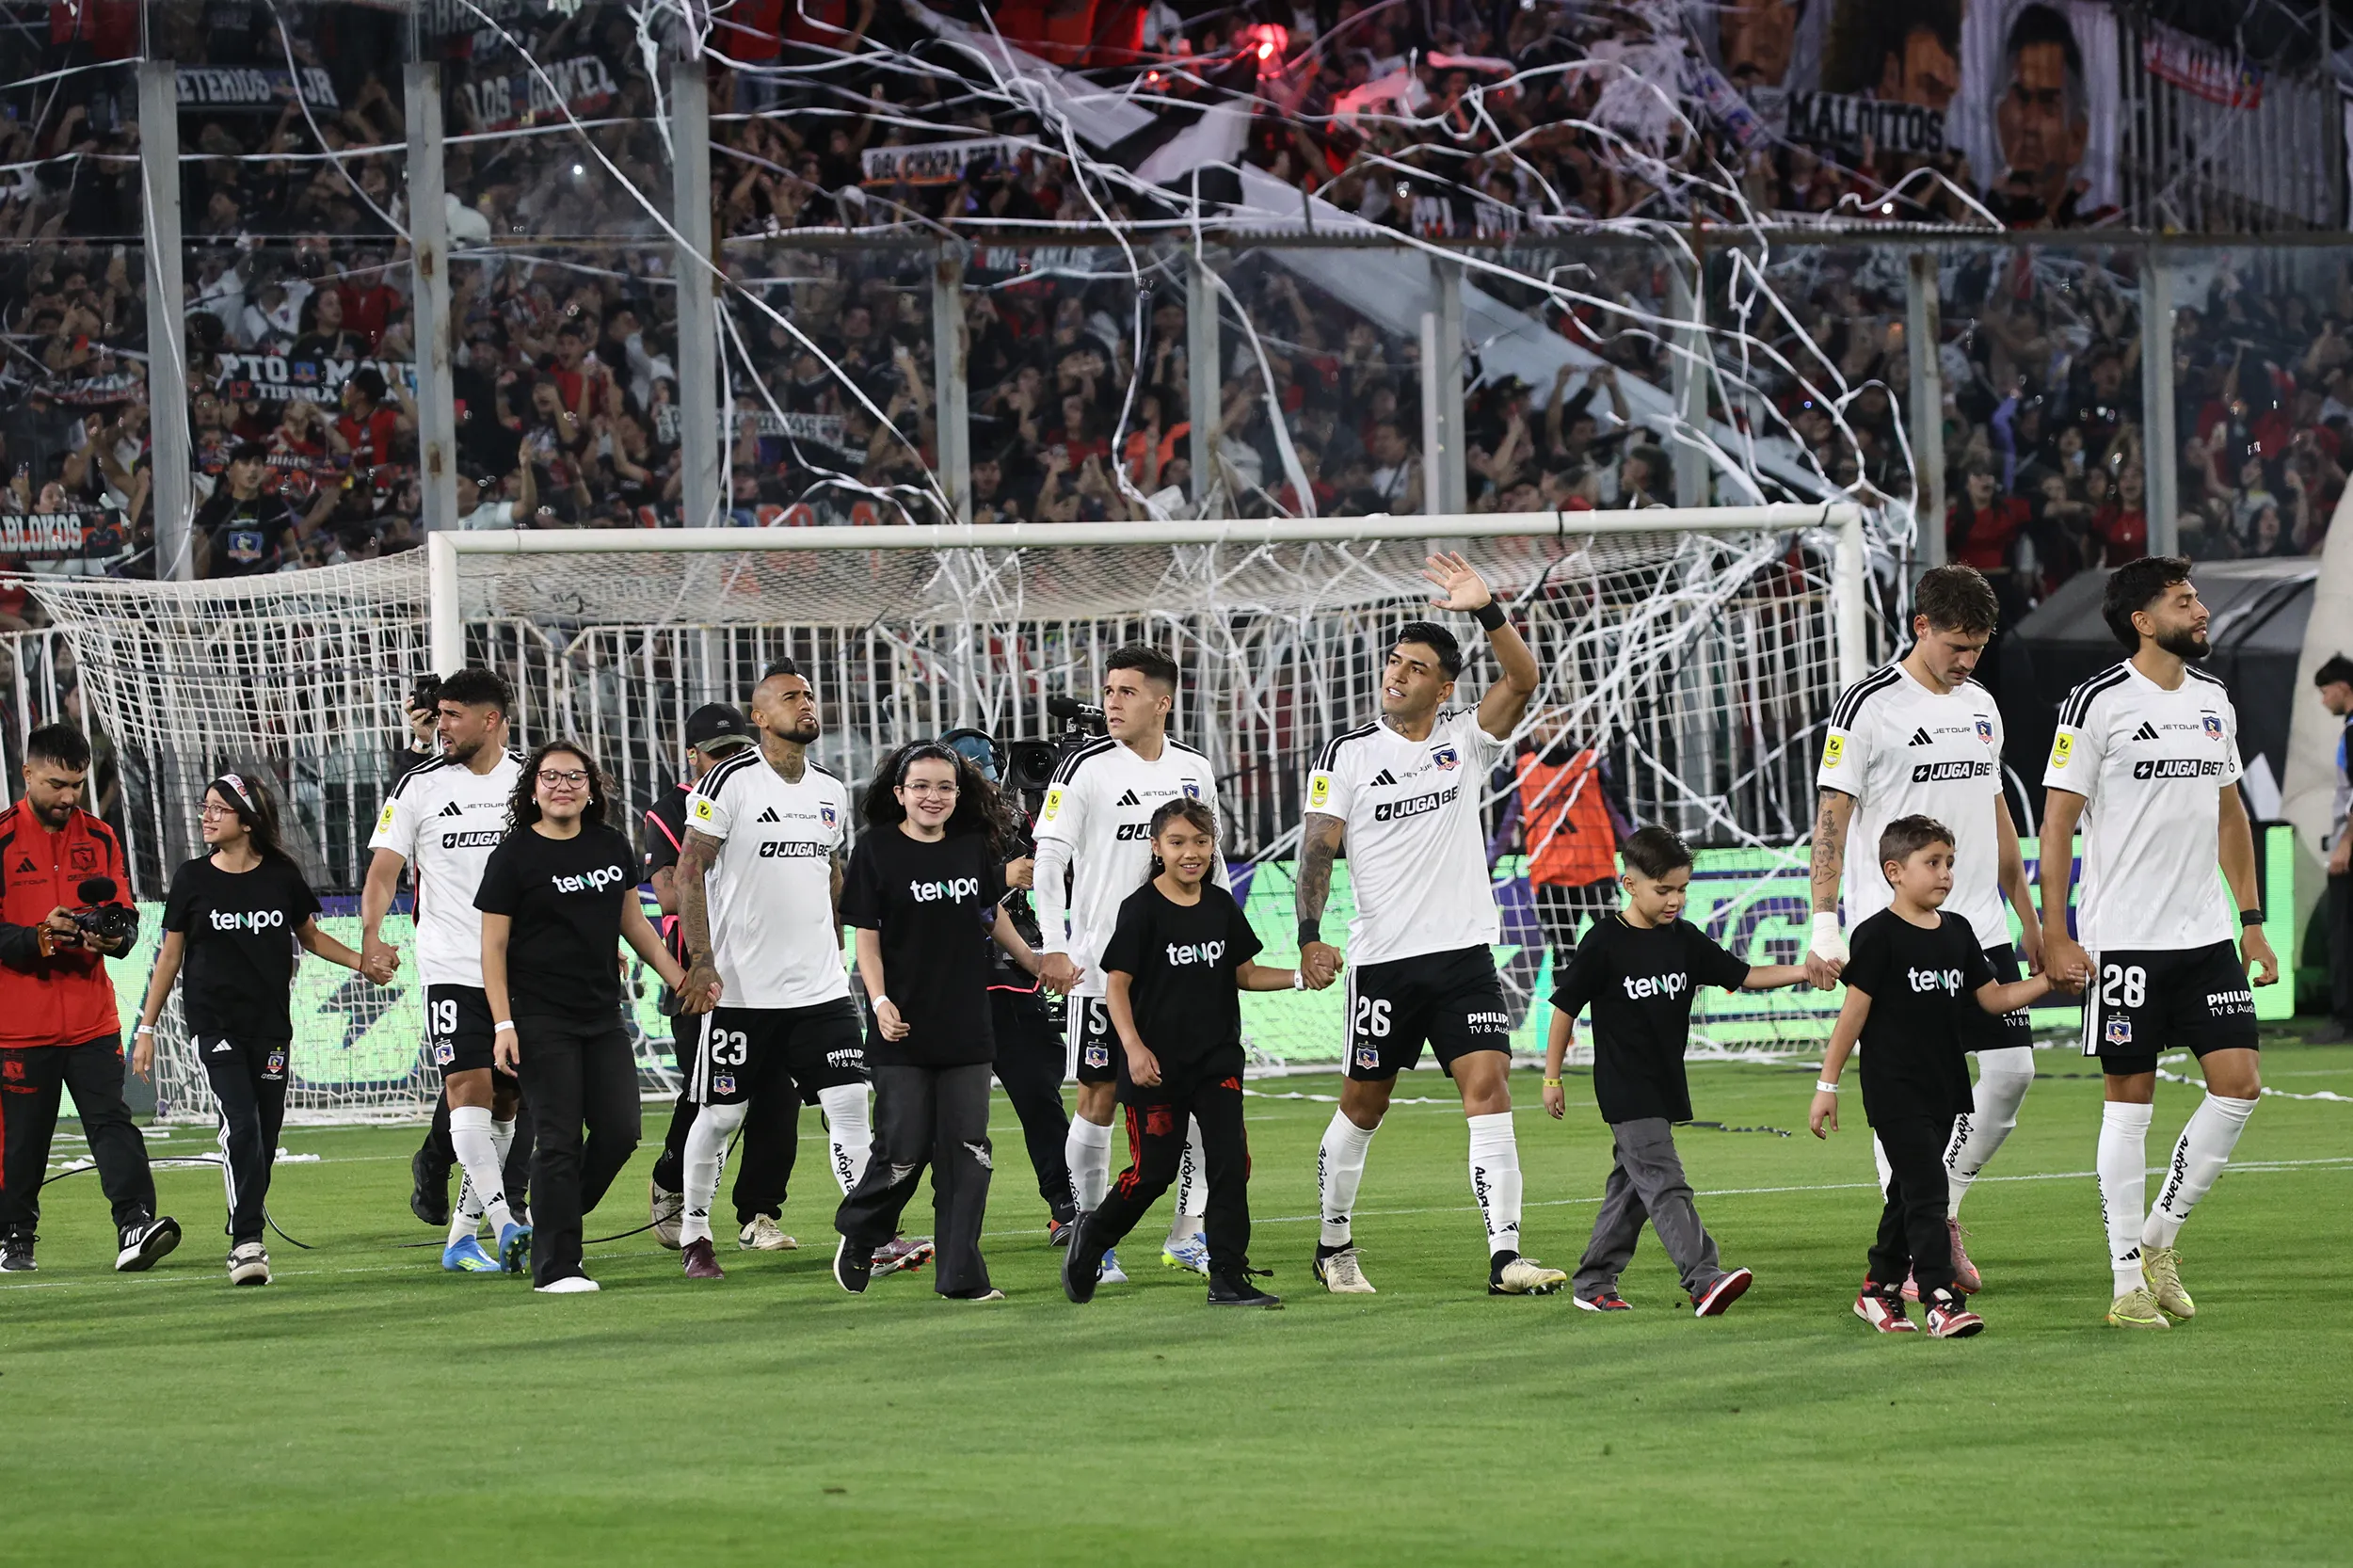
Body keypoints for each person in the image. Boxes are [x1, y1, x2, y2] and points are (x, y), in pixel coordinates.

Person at [1300, 552, 1558, 1297]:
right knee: (1364, 1103)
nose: (1396, 674)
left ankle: (1505, 1257)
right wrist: (1310, 935)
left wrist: (1485, 611)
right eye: (1393, 661)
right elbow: (1318, 847)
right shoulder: (1347, 754)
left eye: (1414, 667)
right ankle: (1333, 1242)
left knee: (1489, 1087)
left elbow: (1523, 681)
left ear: (1443, 687)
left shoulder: (1465, 739)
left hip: (1462, 956)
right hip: (1383, 961)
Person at [2040, 556, 2280, 1330]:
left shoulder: (2213, 700)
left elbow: (2231, 816)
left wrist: (2251, 920)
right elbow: (2058, 823)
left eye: (2196, 597)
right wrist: (2053, 930)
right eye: (2185, 601)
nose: (2201, 610)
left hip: (2207, 935)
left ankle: (2157, 1241)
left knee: (2239, 1084)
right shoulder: (2097, 702)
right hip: (2125, 945)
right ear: (2144, 621)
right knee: (2129, 1107)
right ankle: (2122, 1282)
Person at [1805, 563, 2041, 1295]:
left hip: (1978, 923)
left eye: (1978, 648)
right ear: (1921, 627)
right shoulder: (1867, 706)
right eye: (1957, 646)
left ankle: (1938, 1212)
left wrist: (2031, 919)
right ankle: (1918, 1245)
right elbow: (1831, 820)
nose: (1967, 661)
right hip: (1900, 931)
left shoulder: (1982, 705)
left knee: (2012, 1074)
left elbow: (1997, 814)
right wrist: (1823, 918)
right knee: (1909, 1096)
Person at [674, 661, 921, 1282]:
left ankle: (873, 1232)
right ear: (759, 718)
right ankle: (696, 1233)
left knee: (849, 1106)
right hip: (742, 992)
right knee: (722, 1116)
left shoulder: (830, 791)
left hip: (821, 990)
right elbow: (688, 871)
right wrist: (701, 962)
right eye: (789, 697)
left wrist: (860, 934)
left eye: (809, 694)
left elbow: (831, 874)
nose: (805, 703)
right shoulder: (729, 781)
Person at [1541, 825, 1812, 1316]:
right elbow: (1564, 1008)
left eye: (1682, 889)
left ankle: (1593, 1280)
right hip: (1626, 1088)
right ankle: (1704, 1279)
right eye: (1664, 889)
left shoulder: (1684, 940)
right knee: (1666, 1183)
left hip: (1664, 1085)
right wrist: (1552, 1077)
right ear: (1630, 884)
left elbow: (1745, 975)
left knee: (1633, 1190)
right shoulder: (1604, 942)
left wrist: (1806, 970)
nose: (1675, 900)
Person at [1809, 816, 2056, 1337]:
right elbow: (1850, 1019)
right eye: (1932, 863)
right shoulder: (1876, 936)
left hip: (1945, 1086)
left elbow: (1992, 1000)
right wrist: (1827, 1086)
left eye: (1949, 863)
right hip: (1893, 1088)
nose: (1945, 874)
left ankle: (1878, 1289)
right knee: (1928, 1191)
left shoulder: (1960, 932)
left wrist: (2046, 981)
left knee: (1908, 1191)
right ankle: (1940, 1298)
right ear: (1894, 871)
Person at [1032, 645, 1225, 1286]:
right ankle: (1094, 1235)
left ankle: (1188, 1234)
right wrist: (1055, 944)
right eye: (1109, 690)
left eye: (1126, 691)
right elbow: (1049, 861)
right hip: (1102, 970)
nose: (1112, 702)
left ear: (1161, 702)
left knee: (1200, 1101)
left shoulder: (1195, 769)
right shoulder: (1085, 767)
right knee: (1099, 1098)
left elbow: (1212, 865)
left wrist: (1222, 941)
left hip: (1187, 970)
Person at [133, 774, 368, 1286]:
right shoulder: (192, 878)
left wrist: (362, 962)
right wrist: (146, 1028)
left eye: (219, 808)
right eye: (206, 807)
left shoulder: (281, 875)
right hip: (214, 1023)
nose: (206, 816)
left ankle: (244, 1213)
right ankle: (246, 1240)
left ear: (248, 818)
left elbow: (311, 937)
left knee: (264, 1133)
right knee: (239, 1123)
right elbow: (170, 956)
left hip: (270, 1026)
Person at [1064, 798, 1296, 1308]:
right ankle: (1093, 1237)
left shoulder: (1219, 905)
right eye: (1178, 842)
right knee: (1153, 1173)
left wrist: (1299, 976)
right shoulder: (1140, 909)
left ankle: (1228, 1277)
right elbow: (1116, 987)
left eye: (1201, 842)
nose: (1191, 853)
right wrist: (1134, 1049)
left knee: (1231, 1163)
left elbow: (1244, 973)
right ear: (1156, 847)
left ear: (1213, 847)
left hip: (1216, 1063)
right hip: (1155, 1068)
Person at [832, 744, 1040, 1301]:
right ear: (899, 794)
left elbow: (988, 914)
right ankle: (862, 1232)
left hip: (967, 1025)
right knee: (902, 1147)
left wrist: (1034, 961)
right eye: (920, 786)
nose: (933, 796)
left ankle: (962, 1279)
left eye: (944, 787)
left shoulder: (973, 849)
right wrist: (878, 1003)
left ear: (958, 793)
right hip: (899, 1027)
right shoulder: (874, 851)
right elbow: (866, 942)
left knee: (969, 1153)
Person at [479, 742, 689, 1294]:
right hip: (538, 1018)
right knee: (558, 1138)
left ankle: (550, 1221)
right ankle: (557, 1267)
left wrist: (679, 978)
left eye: (575, 777)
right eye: (550, 777)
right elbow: (493, 949)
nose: (563, 785)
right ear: (533, 790)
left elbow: (635, 924)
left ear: (592, 788)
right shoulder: (513, 856)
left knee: (621, 1132)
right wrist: (503, 1025)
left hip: (602, 1015)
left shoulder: (609, 844)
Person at [362, 667, 534, 1274]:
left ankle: (463, 1238)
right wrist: (372, 934)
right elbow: (384, 870)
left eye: (454, 715)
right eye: (439, 714)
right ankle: (508, 1220)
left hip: (523, 970)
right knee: (469, 1093)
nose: (442, 725)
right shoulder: (419, 785)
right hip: (451, 966)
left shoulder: (531, 781)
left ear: (490, 719)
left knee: (509, 1102)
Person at [0, 724, 179, 1275]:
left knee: (112, 1122)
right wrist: (39, 937)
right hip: (20, 1024)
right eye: (57, 784)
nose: (69, 797)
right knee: (24, 1138)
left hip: (91, 1019)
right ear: (27, 774)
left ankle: (135, 1224)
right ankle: (14, 1237)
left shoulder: (99, 838)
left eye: (77, 784)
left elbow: (125, 918)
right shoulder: (3, 841)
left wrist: (113, 937)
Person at [640, 703, 789, 1250]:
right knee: (710, 1094)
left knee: (778, 1095)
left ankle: (758, 1214)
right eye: (717, 752)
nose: (730, 759)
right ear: (692, 755)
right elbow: (670, 892)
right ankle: (670, 1181)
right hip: (698, 975)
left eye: (737, 749)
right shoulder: (669, 810)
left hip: (772, 970)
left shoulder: (770, 793)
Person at [941, 728, 1075, 1241]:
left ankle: (1067, 1205)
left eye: (987, 767)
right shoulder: (926, 827)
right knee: (936, 1114)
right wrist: (1003, 875)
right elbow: (943, 895)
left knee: (1041, 1097)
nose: (984, 779)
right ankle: (916, 1221)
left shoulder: (1021, 820)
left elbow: (1062, 875)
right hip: (950, 984)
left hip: (1013, 978)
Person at [1513, 722, 1624, 975]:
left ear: (1570, 721)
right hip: (1552, 879)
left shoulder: (1591, 762)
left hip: (1596, 873)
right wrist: (1489, 862)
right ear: (1533, 727)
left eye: (1558, 718)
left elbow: (1620, 810)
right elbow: (1504, 822)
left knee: (1620, 951)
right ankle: (1566, 1014)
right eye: (1544, 718)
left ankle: (1620, 1013)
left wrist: (1642, 852)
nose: (1552, 726)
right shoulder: (1522, 769)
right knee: (1564, 964)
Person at [2313, 654, 2353, 1046]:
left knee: (2342, 936)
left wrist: (2345, 844)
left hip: (2350, 853)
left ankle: (2344, 1019)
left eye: (2325, 692)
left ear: (2342, 688)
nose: (2324, 700)